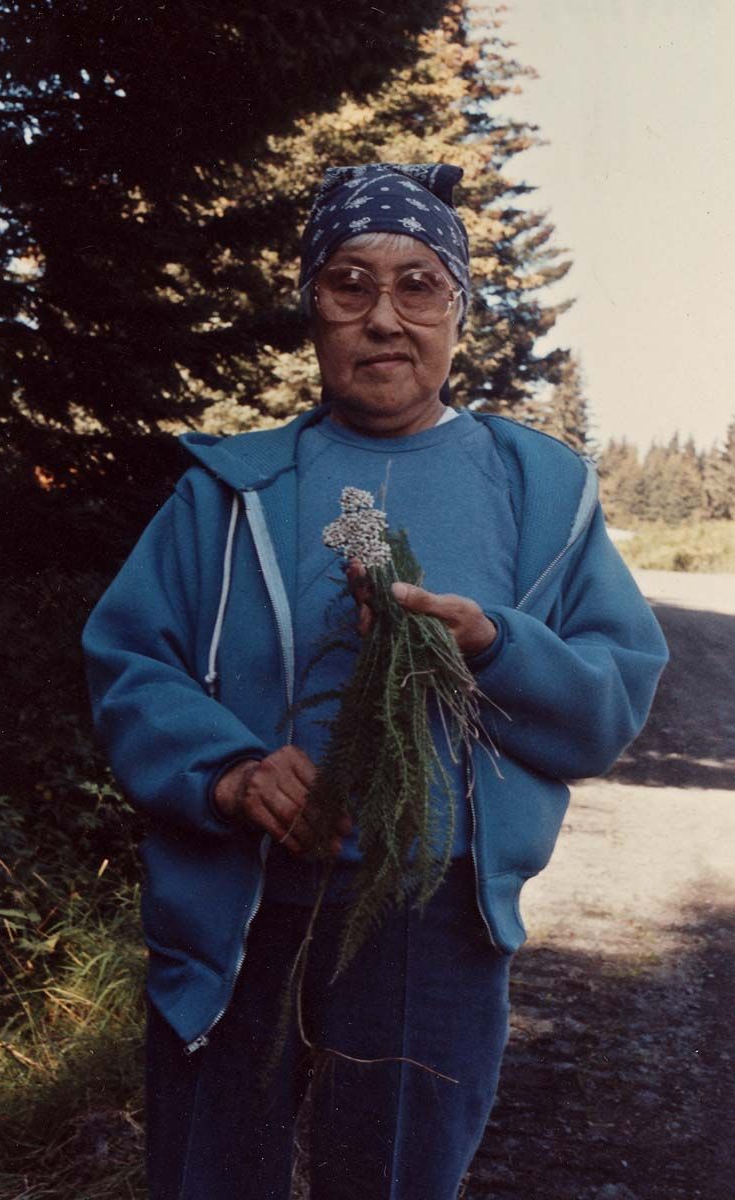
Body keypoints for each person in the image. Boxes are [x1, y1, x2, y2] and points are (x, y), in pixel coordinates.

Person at [82, 162, 668, 1200]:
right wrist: (226, 775)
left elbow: (605, 702)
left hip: (425, 914)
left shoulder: (539, 489)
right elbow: (131, 662)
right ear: (311, 308)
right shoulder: (229, 489)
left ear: (459, 311)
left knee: (391, 1176)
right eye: (349, 283)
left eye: (419, 284)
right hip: (241, 907)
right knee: (212, 1172)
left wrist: (492, 645)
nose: (384, 317)